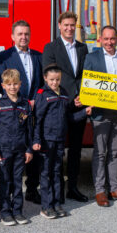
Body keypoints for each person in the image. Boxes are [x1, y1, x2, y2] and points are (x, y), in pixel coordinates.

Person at [83, 26, 117, 207]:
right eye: (106, 39)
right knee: (100, 153)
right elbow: (86, 84)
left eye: (112, 39)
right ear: (100, 40)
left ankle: (114, 188)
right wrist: (88, 102)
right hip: (100, 113)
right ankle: (100, 191)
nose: (109, 42)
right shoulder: (91, 58)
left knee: (115, 151)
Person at [42, 12, 89, 203]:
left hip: (80, 104)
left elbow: (86, 75)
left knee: (76, 149)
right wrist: (68, 99)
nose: (69, 29)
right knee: (57, 149)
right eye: (66, 25)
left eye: (72, 25)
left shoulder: (83, 48)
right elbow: (49, 76)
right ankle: (57, 190)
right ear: (59, 26)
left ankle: (73, 188)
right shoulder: (51, 48)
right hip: (59, 105)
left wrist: (83, 97)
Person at [33, 64, 90, 219]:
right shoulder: (42, 94)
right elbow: (37, 120)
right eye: (51, 79)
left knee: (57, 172)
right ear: (45, 78)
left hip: (59, 140)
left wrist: (84, 112)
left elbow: (69, 118)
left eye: (57, 79)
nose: (54, 82)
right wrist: (36, 140)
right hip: (46, 141)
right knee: (46, 173)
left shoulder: (64, 94)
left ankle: (57, 203)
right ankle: (46, 206)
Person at [0, 20, 43, 205]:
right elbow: (2, 83)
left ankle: (32, 189)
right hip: (13, 112)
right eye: (20, 34)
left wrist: (35, 101)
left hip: (33, 111)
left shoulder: (38, 56)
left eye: (26, 34)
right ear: (12, 37)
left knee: (34, 149)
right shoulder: (4, 56)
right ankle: (8, 193)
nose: (23, 37)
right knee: (13, 151)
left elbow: (41, 85)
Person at [0, 69, 34, 226]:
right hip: (4, 150)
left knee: (17, 181)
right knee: (5, 181)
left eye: (15, 83)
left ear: (20, 84)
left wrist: (29, 149)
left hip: (20, 149)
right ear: (3, 86)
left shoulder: (25, 104)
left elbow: (30, 129)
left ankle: (17, 211)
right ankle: (6, 212)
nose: (12, 87)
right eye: (9, 84)